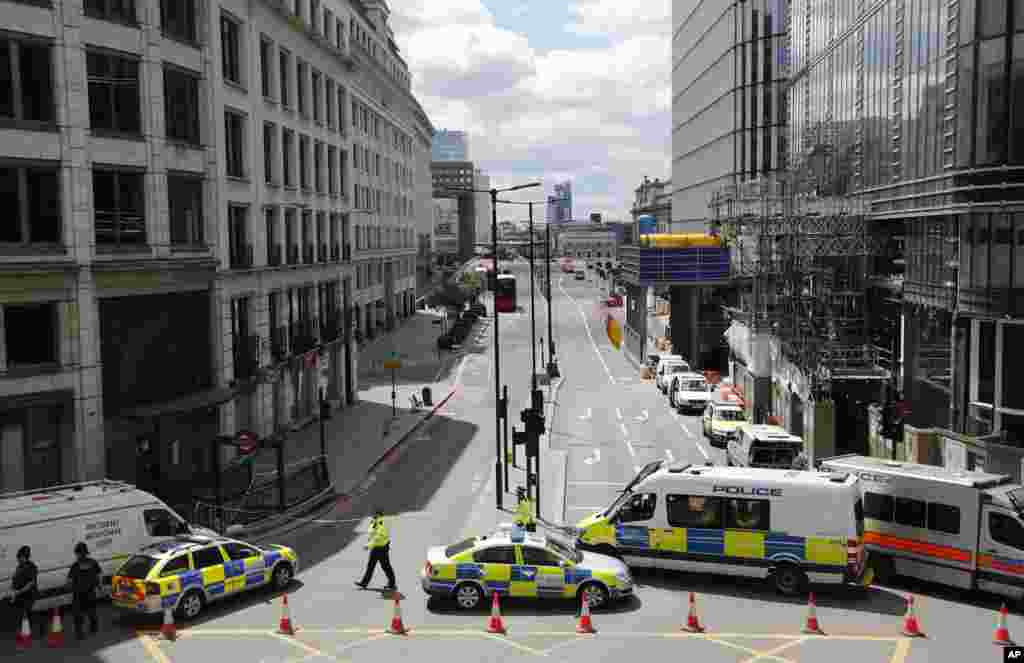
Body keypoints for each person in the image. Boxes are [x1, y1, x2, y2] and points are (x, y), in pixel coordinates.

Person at [355, 509, 396, 590]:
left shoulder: (382, 523)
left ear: (378, 514)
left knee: (384, 566)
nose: (372, 515)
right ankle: (364, 583)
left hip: (381, 547)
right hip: (377, 546)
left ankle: (391, 583)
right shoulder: (375, 522)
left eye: (373, 514)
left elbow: (378, 536)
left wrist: (368, 545)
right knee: (375, 565)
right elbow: (371, 532)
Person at [67, 542, 101, 638]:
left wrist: (68, 586)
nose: (77, 555)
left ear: (78, 553)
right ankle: (93, 628)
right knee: (91, 611)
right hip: (89, 592)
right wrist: (99, 585)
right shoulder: (93, 563)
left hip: (79, 593)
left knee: (78, 614)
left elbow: (69, 580)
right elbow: (99, 574)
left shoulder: (75, 565)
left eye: (77, 553)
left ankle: (80, 633)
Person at [7, 546, 39, 638]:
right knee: (12, 608)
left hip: (30, 595)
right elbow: (14, 581)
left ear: (24, 557)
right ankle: (21, 630)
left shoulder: (32, 567)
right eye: (18, 557)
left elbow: (30, 584)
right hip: (20, 594)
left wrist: (18, 592)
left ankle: (28, 631)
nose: (18, 559)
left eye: (19, 557)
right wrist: (12, 592)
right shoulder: (19, 567)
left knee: (24, 611)